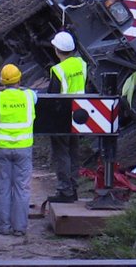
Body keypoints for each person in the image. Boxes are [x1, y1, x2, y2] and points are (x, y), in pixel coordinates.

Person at [0, 63, 38, 236]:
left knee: (3, 188)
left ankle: (3, 227)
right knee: (22, 188)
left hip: (2, 149)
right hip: (23, 148)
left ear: (1, 82)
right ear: (19, 79)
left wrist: (0, 88)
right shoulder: (30, 96)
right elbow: (31, 92)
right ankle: (20, 228)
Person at [47, 31, 87, 203]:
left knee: (62, 153)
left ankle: (65, 191)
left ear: (57, 50)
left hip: (62, 116)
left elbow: (52, 96)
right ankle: (74, 188)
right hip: (78, 114)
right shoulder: (81, 64)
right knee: (73, 152)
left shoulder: (58, 70)